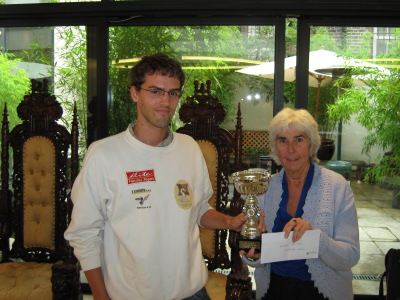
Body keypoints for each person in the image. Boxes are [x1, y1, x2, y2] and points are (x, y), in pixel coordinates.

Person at [65, 53, 249, 300]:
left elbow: (197, 209)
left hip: (192, 291)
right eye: (155, 91)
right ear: (135, 93)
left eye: (173, 93)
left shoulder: (189, 148)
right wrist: (100, 295)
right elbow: (83, 234)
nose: (166, 101)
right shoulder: (104, 155)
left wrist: (229, 222)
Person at [241, 108, 360, 300]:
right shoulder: (264, 189)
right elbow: (255, 261)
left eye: (299, 139)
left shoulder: (337, 186)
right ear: (274, 147)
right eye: (282, 140)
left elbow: (350, 257)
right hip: (273, 290)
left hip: (323, 292)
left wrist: (317, 239)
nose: (290, 149)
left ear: (312, 145)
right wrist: (253, 253)